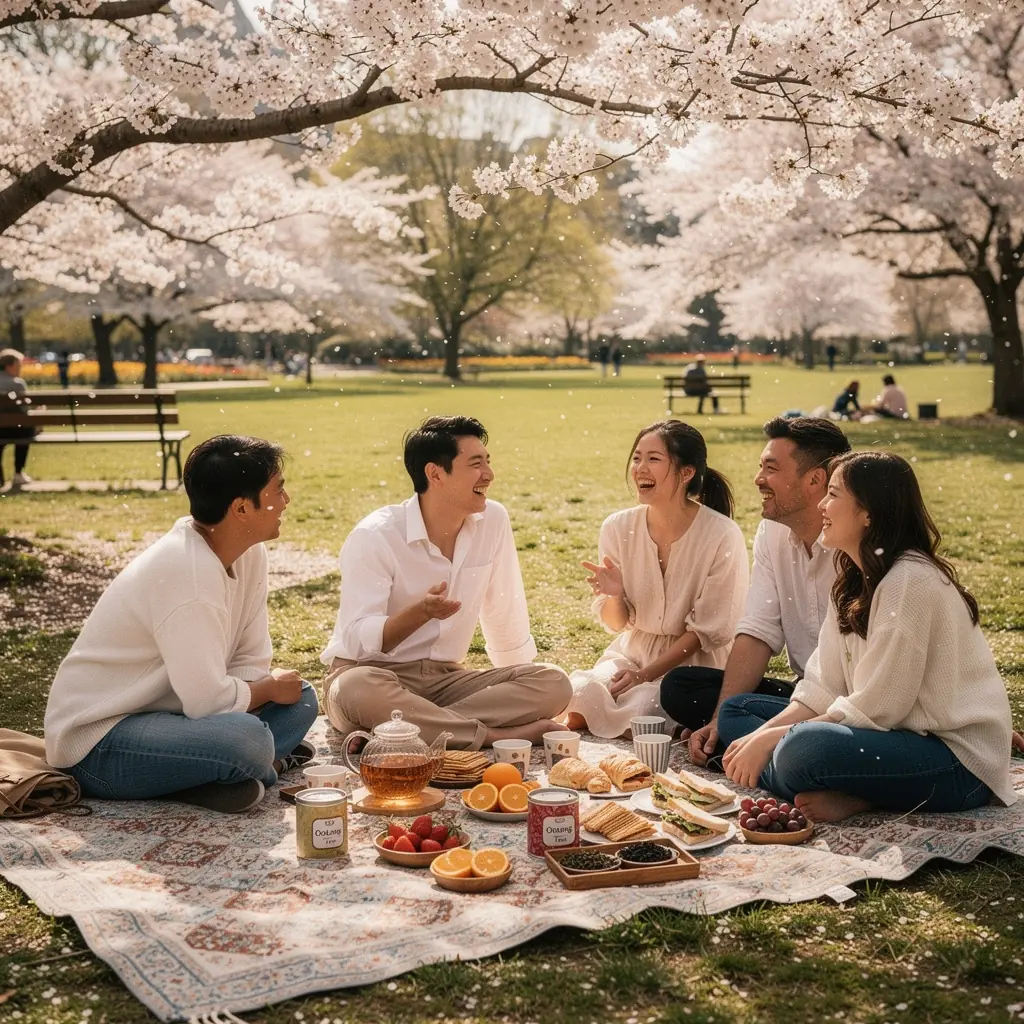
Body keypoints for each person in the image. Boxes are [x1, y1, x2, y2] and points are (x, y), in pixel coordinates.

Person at [717, 451, 1017, 821]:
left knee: (802, 748)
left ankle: (849, 790)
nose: (822, 505)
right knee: (737, 712)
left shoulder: (910, 580)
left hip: (956, 763)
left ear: (869, 512)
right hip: (892, 737)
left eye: (833, 494)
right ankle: (840, 786)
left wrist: (771, 739)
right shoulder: (851, 582)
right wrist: (762, 736)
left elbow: (879, 705)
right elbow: (821, 687)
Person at [43, 435, 319, 813]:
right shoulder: (186, 574)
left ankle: (219, 775)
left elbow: (249, 659)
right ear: (241, 508)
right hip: (100, 741)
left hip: (176, 718)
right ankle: (250, 765)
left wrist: (265, 690)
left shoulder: (250, 554)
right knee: (248, 740)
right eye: (278, 490)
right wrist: (265, 691)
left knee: (302, 697)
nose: (286, 501)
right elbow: (208, 701)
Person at [322, 415, 572, 750]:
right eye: (475, 464)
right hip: (374, 676)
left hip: (445, 680)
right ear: (435, 474)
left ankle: (400, 732)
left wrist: (521, 683)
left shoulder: (492, 520)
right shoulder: (376, 535)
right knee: (356, 688)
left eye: (488, 462)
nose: (489, 474)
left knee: (554, 682)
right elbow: (356, 643)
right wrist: (420, 614)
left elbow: (503, 610)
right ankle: (491, 737)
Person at [662, 416, 852, 764]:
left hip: (854, 702)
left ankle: (768, 745)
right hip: (803, 693)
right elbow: (758, 631)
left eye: (771, 468)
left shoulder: (854, 542)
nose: (758, 479)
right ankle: (757, 740)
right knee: (681, 689)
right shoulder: (772, 532)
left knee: (757, 722)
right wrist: (721, 718)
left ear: (815, 480)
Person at [565, 420, 749, 738]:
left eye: (653, 459)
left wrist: (644, 676)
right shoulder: (617, 527)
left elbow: (707, 631)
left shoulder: (722, 534)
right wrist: (614, 594)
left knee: (647, 705)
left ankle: (666, 726)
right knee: (578, 692)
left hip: (693, 665)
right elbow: (616, 623)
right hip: (633, 651)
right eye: (637, 457)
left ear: (686, 472)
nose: (640, 468)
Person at [0, 348, 34, 489]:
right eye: (18, 365)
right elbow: (25, 409)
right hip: (17, 430)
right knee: (25, 430)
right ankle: (18, 473)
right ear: (9, 366)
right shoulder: (17, 384)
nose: (20, 368)